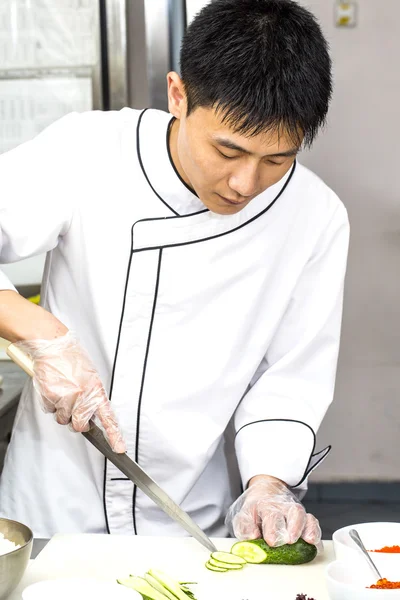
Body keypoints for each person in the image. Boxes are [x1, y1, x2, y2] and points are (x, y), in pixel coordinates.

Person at [0, 0, 349, 547]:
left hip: (190, 520)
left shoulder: (315, 216)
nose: (244, 182)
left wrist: (268, 485)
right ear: (178, 95)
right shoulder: (88, 150)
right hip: (53, 513)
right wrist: (38, 331)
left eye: (277, 160)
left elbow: (289, 380)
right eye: (227, 150)